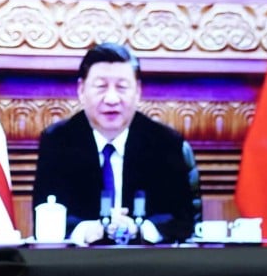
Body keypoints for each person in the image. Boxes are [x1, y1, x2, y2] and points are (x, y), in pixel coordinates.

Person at [32, 43, 198, 245]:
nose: (111, 99)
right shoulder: (58, 142)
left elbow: (182, 219)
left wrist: (140, 229)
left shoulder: (165, 143)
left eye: (122, 87)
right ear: (81, 90)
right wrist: (85, 229)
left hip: (149, 266)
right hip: (80, 265)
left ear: (137, 92)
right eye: (101, 87)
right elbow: (47, 214)